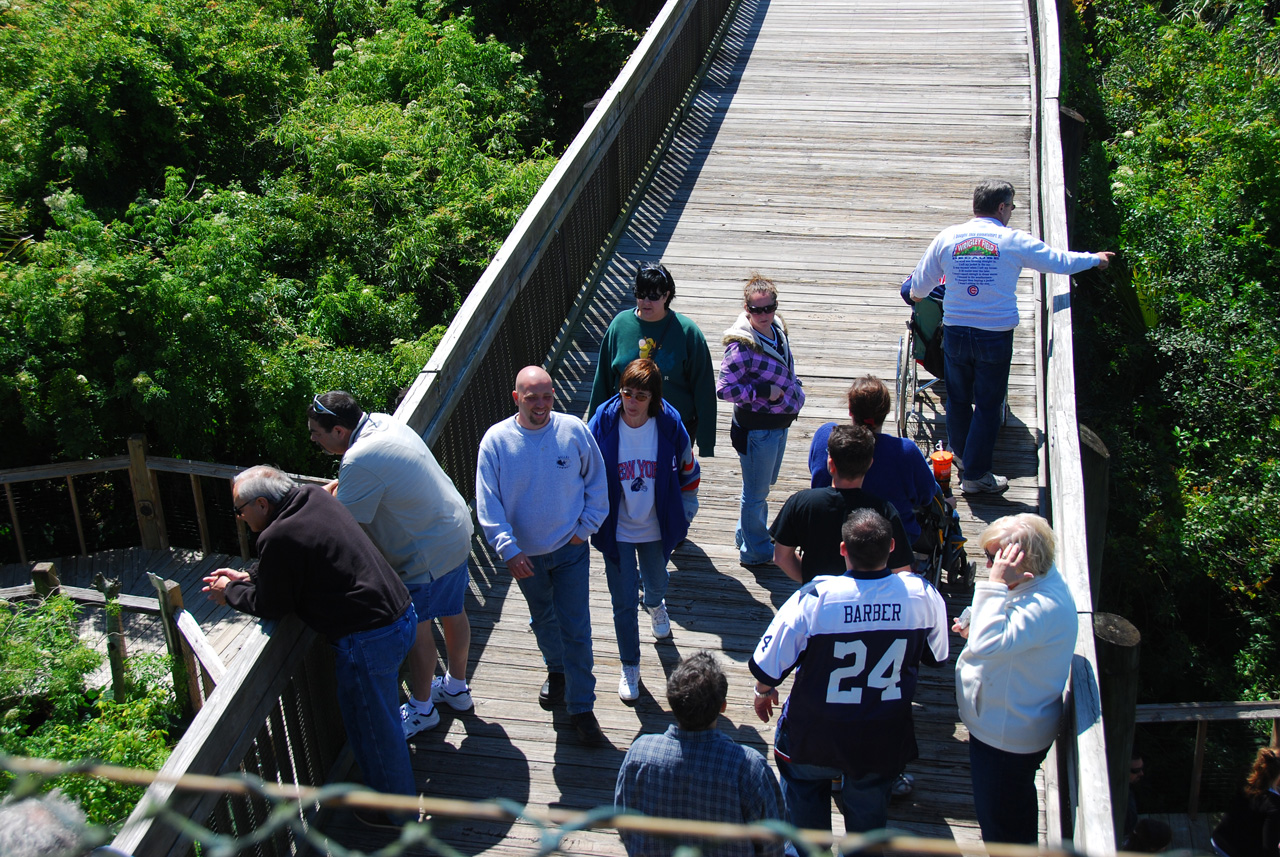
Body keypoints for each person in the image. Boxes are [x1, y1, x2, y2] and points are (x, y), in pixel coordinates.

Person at [203, 466, 418, 817]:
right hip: (400, 615)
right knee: (375, 721)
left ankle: (398, 817)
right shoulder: (314, 497)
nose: (240, 518)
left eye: (240, 510)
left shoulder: (276, 536)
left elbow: (273, 603)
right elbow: (295, 561)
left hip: (369, 638)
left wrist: (231, 593)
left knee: (378, 734)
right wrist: (248, 576)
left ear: (261, 504)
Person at [751, 509, 948, 847]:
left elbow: (767, 664)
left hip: (814, 733)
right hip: (880, 735)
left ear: (843, 549)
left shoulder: (815, 598)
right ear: (892, 547)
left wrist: (763, 690)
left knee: (805, 831)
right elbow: (937, 656)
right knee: (867, 831)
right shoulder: (921, 595)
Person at [907, 179, 1114, 494]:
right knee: (989, 405)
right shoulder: (1014, 241)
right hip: (995, 334)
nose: (1012, 213)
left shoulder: (947, 238)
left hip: (956, 332)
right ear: (1002, 207)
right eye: (1012, 207)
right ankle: (976, 475)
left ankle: (962, 458)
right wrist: (1095, 259)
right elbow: (1060, 262)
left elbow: (919, 289)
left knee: (959, 401)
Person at [306, 391, 475, 739]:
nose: (312, 438)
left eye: (316, 432)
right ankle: (456, 688)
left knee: (420, 630)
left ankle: (422, 708)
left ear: (339, 431)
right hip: (453, 530)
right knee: (454, 611)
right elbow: (356, 487)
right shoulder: (383, 422)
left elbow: (342, 526)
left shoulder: (358, 458)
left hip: (424, 555)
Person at [475, 366, 610, 745]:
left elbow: (598, 484)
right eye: (531, 397)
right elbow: (488, 503)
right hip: (525, 559)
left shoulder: (573, 431)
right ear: (516, 398)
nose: (541, 404)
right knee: (543, 621)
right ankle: (557, 670)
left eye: (547, 395)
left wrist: (584, 531)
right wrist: (508, 549)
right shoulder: (497, 441)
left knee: (577, 629)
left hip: (570, 550)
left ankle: (582, 706)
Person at [953, 513, 1078, 845]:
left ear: (1024, 567)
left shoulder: (1041, 607)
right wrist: (975, 618)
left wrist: (993, 584)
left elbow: (987, 644)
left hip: (1006, 739)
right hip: (1004, 725)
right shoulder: (1036, 579)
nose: (990, 565)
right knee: (1013, 809)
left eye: (995, 560)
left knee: (1002, 828)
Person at [588, 359, 699, 701]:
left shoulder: (668, 423)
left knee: (656, 580)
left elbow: (687, 467)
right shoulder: (602, 424)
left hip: (656, 525)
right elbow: (583, 469)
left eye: (640, 395)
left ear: (653, 398)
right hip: (616, 527)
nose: (631, 402)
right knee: (622, 602)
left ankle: (655, 603)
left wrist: (687, 510)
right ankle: (630, 665)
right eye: (626, 393)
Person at [614, 651, 784, 857]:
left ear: (672, 702)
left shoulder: (639, 755)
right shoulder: (749, 768)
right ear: (723, 707)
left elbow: (624, 825)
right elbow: (772, 846)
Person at [588, 262, 718, 468]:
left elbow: (704, 388)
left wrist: (706, 442)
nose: (645, 301)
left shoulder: (687, 332)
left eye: (654, 296)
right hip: (627, 426)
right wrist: (593, 429)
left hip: (673, 427)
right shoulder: (619, 325)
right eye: (640, 294)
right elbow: (602, 380)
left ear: (666, 296)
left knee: (670, 485)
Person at [718, 273, 804, 567]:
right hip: (757, 431)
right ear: (746, 309)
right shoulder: (741, 346)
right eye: (757, 310)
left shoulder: (776, 328)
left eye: (770, 307)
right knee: (757, 493)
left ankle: (746, 533)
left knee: (760, 485)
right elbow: (725, 389)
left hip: (778, 426)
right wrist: (765, 392)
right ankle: (755, 551)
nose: (764, 314)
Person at [770, 424, 913, 583]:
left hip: (819, 601)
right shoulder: (885, 510)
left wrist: (813, 584)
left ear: (831, 464)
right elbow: (902, 572)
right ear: (869, 464)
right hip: (865, 603)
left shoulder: (801, 502)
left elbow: (781, 557)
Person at [808, 376, 939, 546]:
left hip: (832, 536)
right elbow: (926, 496)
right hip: (893, 543)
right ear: (885, 413)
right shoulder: (905, 451)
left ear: (850, 409)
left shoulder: (826, 437)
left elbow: (816, 475)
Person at [1211, 746, 1280, 857]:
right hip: (1236, 851)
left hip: (1219, 840)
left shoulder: (1248, 783)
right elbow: (1269, 850)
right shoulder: (1274, 806)